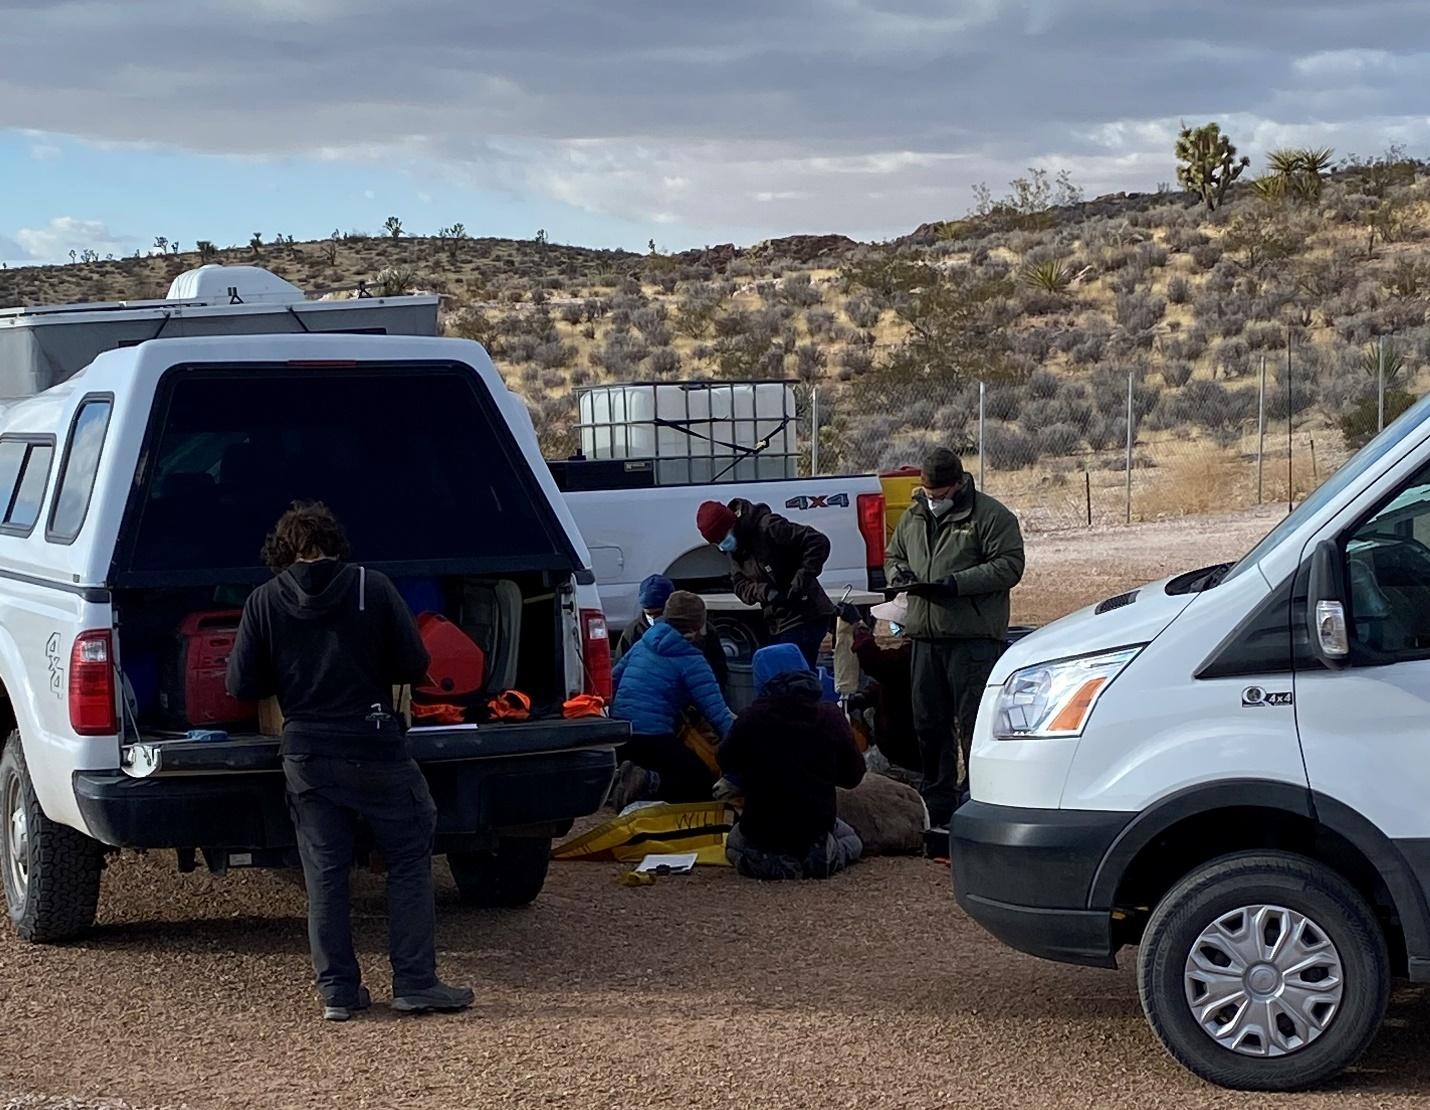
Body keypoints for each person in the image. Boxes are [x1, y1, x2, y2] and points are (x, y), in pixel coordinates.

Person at [226, 501, 474, 1022]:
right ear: (335, 544)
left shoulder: (263, 601)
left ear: (284, 551)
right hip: (374, 744)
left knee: (325, 873)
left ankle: (338, 991)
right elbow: (414, 663)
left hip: (307, 753)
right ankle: (414, 982)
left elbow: (241, 684)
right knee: (408, 858)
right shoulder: (372, 587)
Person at [885, 448, 1025, 830]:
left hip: (973, 640)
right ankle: (938, 800)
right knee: (928, 723)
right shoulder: (915, 516)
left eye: (940, 494)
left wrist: (956, 584)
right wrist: (899, 574)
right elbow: (893, 554)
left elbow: (1010, 565)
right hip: (926, 639)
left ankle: (979, 797)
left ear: (958, 484)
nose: (934, 501)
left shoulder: (991, 516)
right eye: (928, 494)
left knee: (973, 724)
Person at [718, 643, 866, 880]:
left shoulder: (750, 718)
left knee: (733, 842)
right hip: (815, 826)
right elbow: (853, 776)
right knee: (852, 839)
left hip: (762, 828)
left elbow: (726, 760)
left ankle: (765, 862)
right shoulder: (830, 716)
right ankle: (826, 855)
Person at [609, 590, 735, 807]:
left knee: (672, 762)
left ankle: (631, 782)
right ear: (698, 626)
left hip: (620, 732)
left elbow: (613, 679)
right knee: (701, 782)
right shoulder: (691, 660)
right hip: (653, 736)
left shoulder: (643, 643)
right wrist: (743, 744)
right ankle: (648, 782)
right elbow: (718, 714)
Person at [695, 498, 834, 668]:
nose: (722, 546)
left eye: (722, 539)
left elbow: (817, 542)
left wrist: (801, 579)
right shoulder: (735, 550)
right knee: (787, 675)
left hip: (806, 612)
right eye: (717, 543)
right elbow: (739, 585)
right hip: (776, 620)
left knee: (796, 676)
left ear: (732, 525)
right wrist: (764, 592)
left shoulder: (768, 527)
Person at [615, 573, 729, 692]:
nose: (655, 619)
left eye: (659, 613)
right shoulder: (633, 633)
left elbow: (718, 670)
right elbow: (620, 677)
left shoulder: (698, 629)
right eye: (650, 614)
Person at [845, 596, 920, 774]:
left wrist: (859, 628)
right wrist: (866, 697)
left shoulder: (912, 656)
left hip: (906, 746)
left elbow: (877, 663)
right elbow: (890, 683)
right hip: (897, 743)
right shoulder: (911, 653)